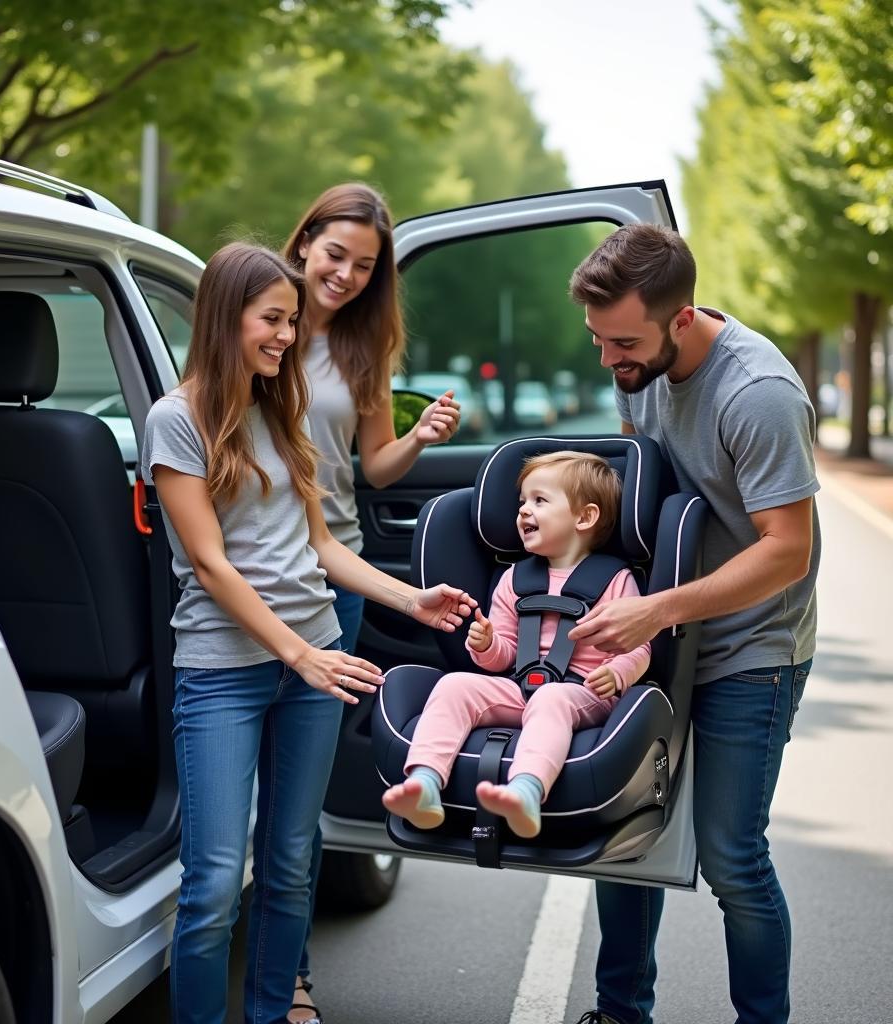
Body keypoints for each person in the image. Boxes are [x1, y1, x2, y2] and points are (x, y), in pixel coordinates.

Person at [140, 242, 476, 1024]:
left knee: (291, 863)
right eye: (272, 320)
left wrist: (409, 598)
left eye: (291, 322)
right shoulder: (175, 421)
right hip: (225, 671)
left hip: (312, 659)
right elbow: (212, 566)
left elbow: (320, 545)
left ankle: (271, 1012)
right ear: (227, 317)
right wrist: (298, 654)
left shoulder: (280, 408)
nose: (288, 337)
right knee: (216, 881)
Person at [566, 224, 820, 1024]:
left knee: (732, 859)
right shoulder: (637, 367)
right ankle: (620, 1012)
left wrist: (661, 607)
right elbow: (647, 498)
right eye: (599, 341)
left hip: (755, 648)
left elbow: (788, 551)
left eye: (624, 342)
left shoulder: (758, 394)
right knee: (622, 835)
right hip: (663, 640)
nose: (610, 361)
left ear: (681, 319)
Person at [282, 183, 461, 1023]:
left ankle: (291, 975)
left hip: (334, 577)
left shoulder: (362, 350)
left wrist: (418, 441)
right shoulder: (254, 319)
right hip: (246, 572)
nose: (347, 275)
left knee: (301, 789)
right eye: (336, 254)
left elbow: (373, 466)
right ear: (306, 239)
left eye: (365, 265)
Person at [382, 451, 651, 838]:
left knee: (551, 699)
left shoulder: (616, 580)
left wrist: (618, 673)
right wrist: (487, 645)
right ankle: (424, 782)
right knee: (454, 684)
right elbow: (503, 656)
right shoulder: (513, 579)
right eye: (522, 501)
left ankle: (526, 791)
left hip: (586, 690)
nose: (524, 511)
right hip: (521, 685)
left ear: (585, 517)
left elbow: (640, 647)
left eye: (540, 501)